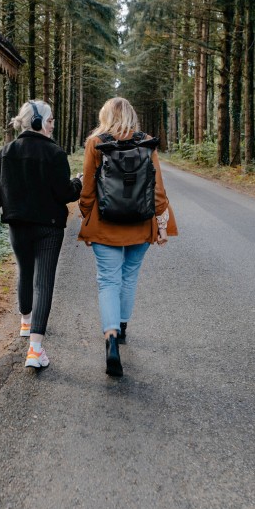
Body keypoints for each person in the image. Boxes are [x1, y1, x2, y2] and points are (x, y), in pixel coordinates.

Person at [78, 97, 178, 377]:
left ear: (105, 116)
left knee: (108, 279)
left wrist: (86, 218)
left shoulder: (96, 143)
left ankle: (110, 338)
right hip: (140, 222)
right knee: (129, 276)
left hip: (104, 222)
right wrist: (161, 222)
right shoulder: (147, 142)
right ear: (133, 116)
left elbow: (87, 188)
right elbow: (158, 189)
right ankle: (121, 328)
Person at [0, 100, 82, 370]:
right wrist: (78, 183)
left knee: (24, 271)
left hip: (18, 225)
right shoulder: (55, 154)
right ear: (38, 123)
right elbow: (65, 194)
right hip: (49, 227)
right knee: (43, 282)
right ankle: (35, 350)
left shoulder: (6, 152)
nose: (52, 126)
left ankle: (26, 323)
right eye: (50, 121)